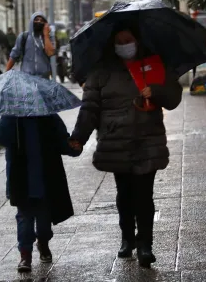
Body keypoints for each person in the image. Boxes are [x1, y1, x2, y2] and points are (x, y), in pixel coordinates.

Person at [69, 25, 183, 268]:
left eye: (128, 39)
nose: (124, 45)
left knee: (144, 195)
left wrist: (157, 91)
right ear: (112, 45)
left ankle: (145, 245)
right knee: (125, 195)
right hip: (116, 141)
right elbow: (90, 108)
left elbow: (174, 97)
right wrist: (78, 137)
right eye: (119, 41)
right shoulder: (101, 72)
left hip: (147, 139)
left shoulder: (153, 64)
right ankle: (127, 238)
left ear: (137, 41)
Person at [0, 114, 81, 272]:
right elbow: (1, 138)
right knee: (24, 218)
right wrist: (8, 122)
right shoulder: (11, 117)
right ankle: (25, 255)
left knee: (44, 221)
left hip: (45, 177)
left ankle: (43, 242)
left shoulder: (48, 116)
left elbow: (61, 139)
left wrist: (72, 148)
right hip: (21, 179)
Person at [5, 13, 55, 79]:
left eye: (41, 20)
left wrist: (46, 35)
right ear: (31, 21)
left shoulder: (48, 38)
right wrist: (5, 74)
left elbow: (50, 53)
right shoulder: (23, 37)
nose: (39, 22)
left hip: (44, 78)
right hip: (26, 78)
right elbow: (13, 56)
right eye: (36, 19)